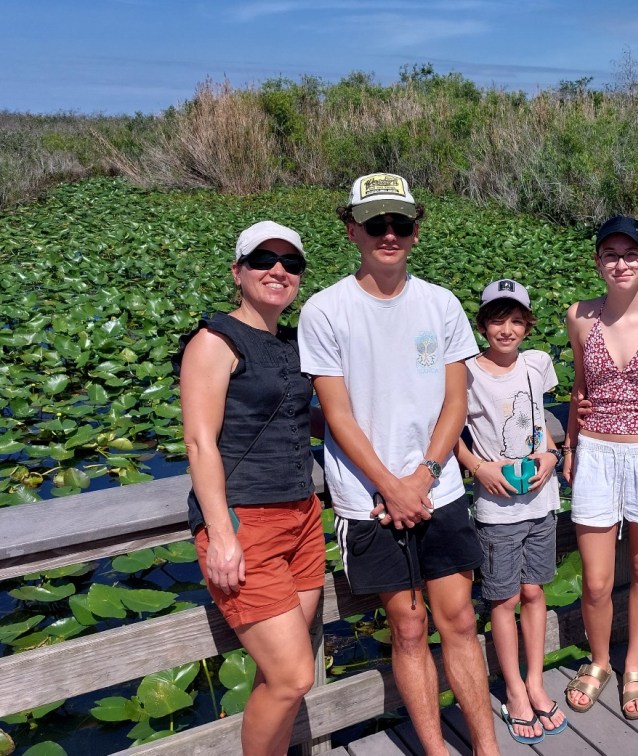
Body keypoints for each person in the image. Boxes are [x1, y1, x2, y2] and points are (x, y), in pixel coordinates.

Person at [297, 173, 498, 756]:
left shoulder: (441, 304)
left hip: (439, 490)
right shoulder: (325, 310)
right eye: (375, 223)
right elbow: (337, 414)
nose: (389, 234)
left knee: (460, 621)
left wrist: (423, 477)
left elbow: (455, 402)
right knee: (408, 629)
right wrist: (391, 486)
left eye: (400, 223)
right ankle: (435, 750)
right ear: (351, 229)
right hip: (369, 500)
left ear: (415, 231)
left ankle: (487, 748)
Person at [178, 220, 325, 756]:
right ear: (237, 272)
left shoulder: (292, 342)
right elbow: (199, 443)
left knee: (280, 676)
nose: (278, 270)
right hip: (246, 524)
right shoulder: (214, 341)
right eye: (263, 260)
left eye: (291, 263)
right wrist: (220, 533)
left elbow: (299, 415)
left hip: (303, 516)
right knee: (293, 676)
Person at [562, 216, 638, 720]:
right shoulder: (579, 317)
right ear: (598, 262)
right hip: (595, 454)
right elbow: (579, 387)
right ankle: (599, 661)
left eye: (631, 254)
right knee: (595, 581)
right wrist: (570, 446)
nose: (620, 264)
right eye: (610, 254)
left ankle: (633, 665)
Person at [453, 278, 567, 745]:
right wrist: (478, 468)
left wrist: (553, 454)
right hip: (496, 509)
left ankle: (536, 681)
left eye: (517, 320)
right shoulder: (464, 372)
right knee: (502, 600)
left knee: (534, 592)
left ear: (528, 326)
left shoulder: (538, 363)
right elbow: (448, 433)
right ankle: (514, 689)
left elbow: (543, 421)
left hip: (541, 500)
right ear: (482, 325)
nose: (507, 329)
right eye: (497, 320)